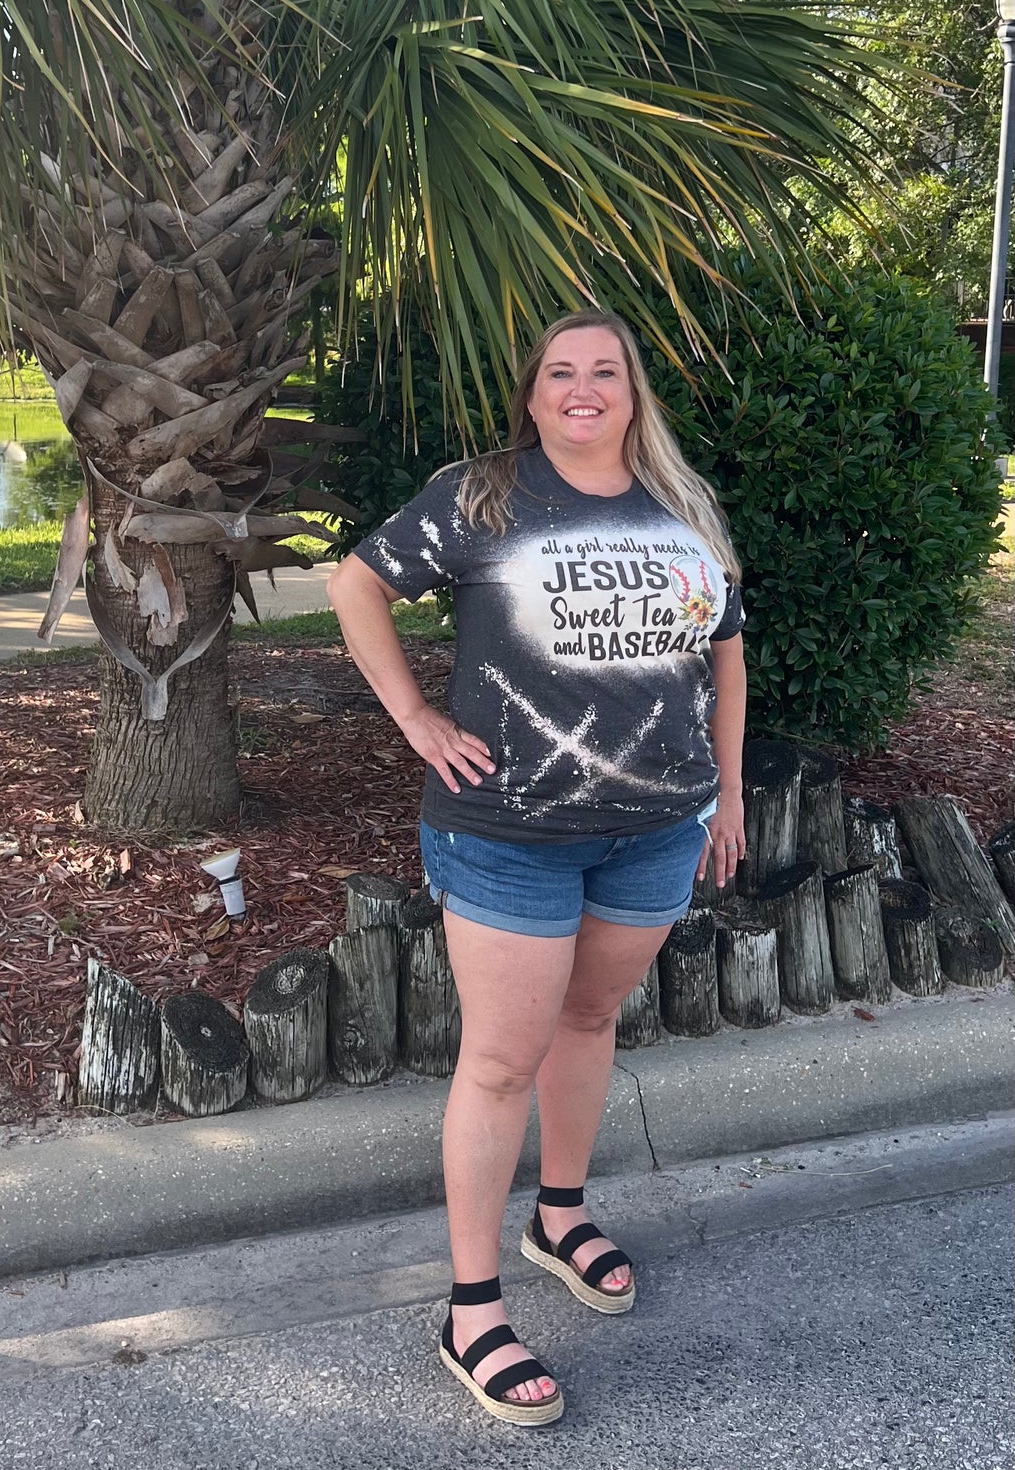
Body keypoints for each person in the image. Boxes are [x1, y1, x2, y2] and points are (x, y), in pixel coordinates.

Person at [326, 308, 747, 1428]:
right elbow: (353, 582)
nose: (580, 388)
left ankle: (558, 1213)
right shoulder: (481, 496)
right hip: (505, 831)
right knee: (500, 1061)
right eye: (558, 371)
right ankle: (470, 1310)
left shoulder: (681, 509)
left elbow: (722, 654)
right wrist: (413, 715)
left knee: (590, 1020)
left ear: (631, 390)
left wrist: (727, 792)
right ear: (530, 393)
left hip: (654, 828)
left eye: (602, 371)